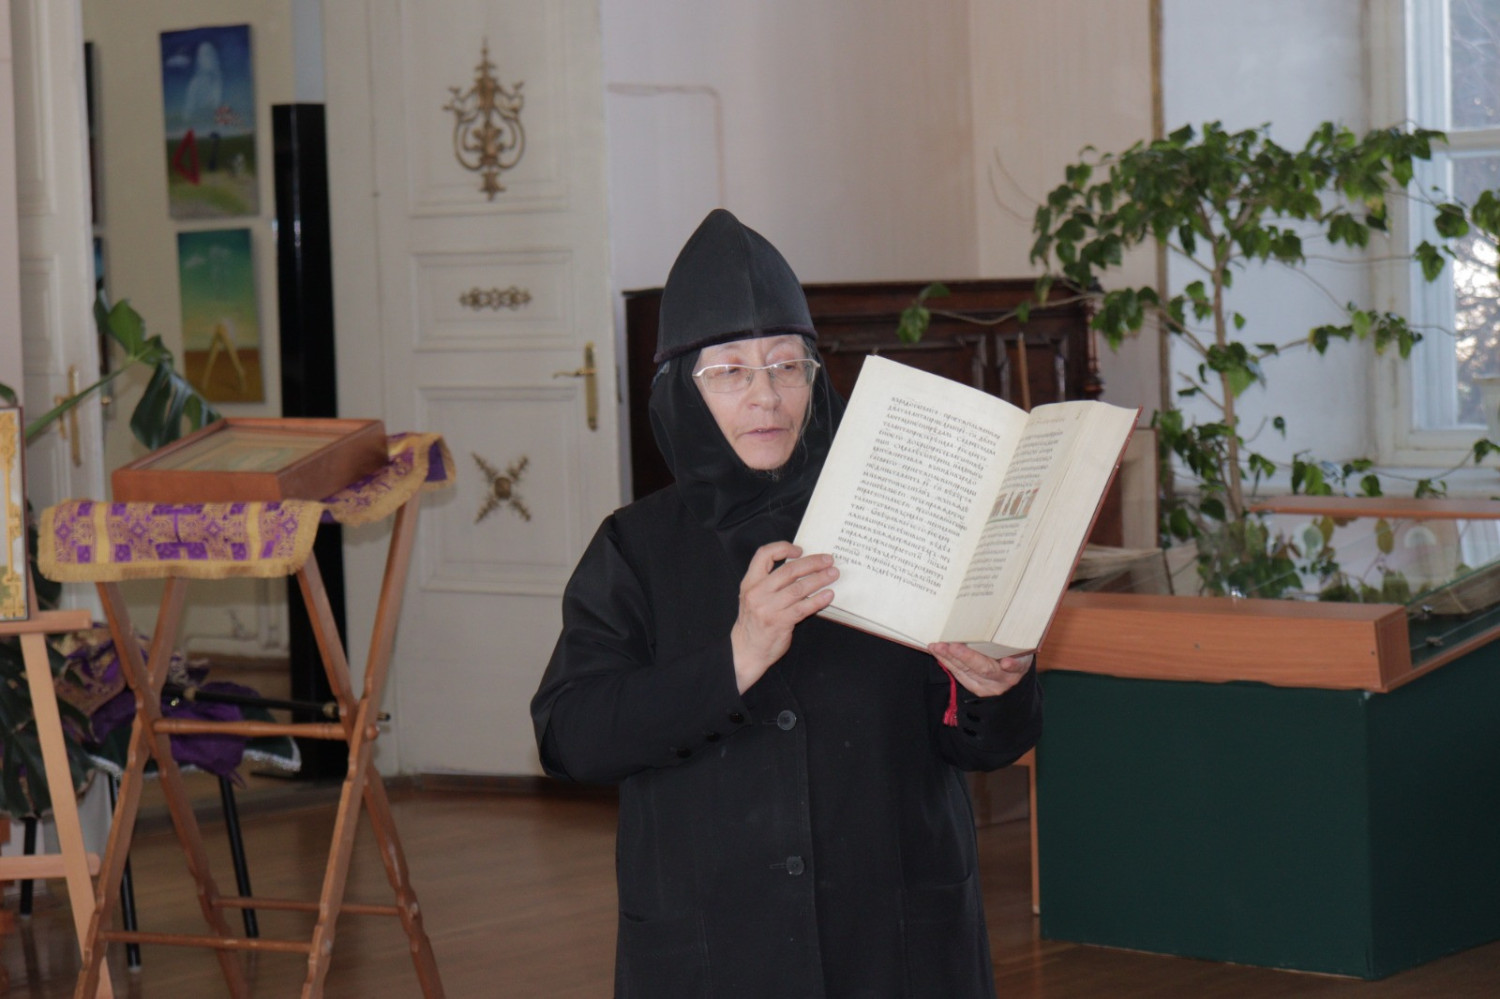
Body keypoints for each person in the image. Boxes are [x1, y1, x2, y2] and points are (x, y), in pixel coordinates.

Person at [531, 209, 1042, 998]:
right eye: (730, 371)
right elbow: (571, 737)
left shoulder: (906, 514)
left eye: (785, 365)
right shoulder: (635, 547)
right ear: (680, 389)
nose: (766, 395)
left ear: (817, 377)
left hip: (897, 946)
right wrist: (736, 658)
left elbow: (981, 747)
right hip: (716, 954)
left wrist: (995, 687)